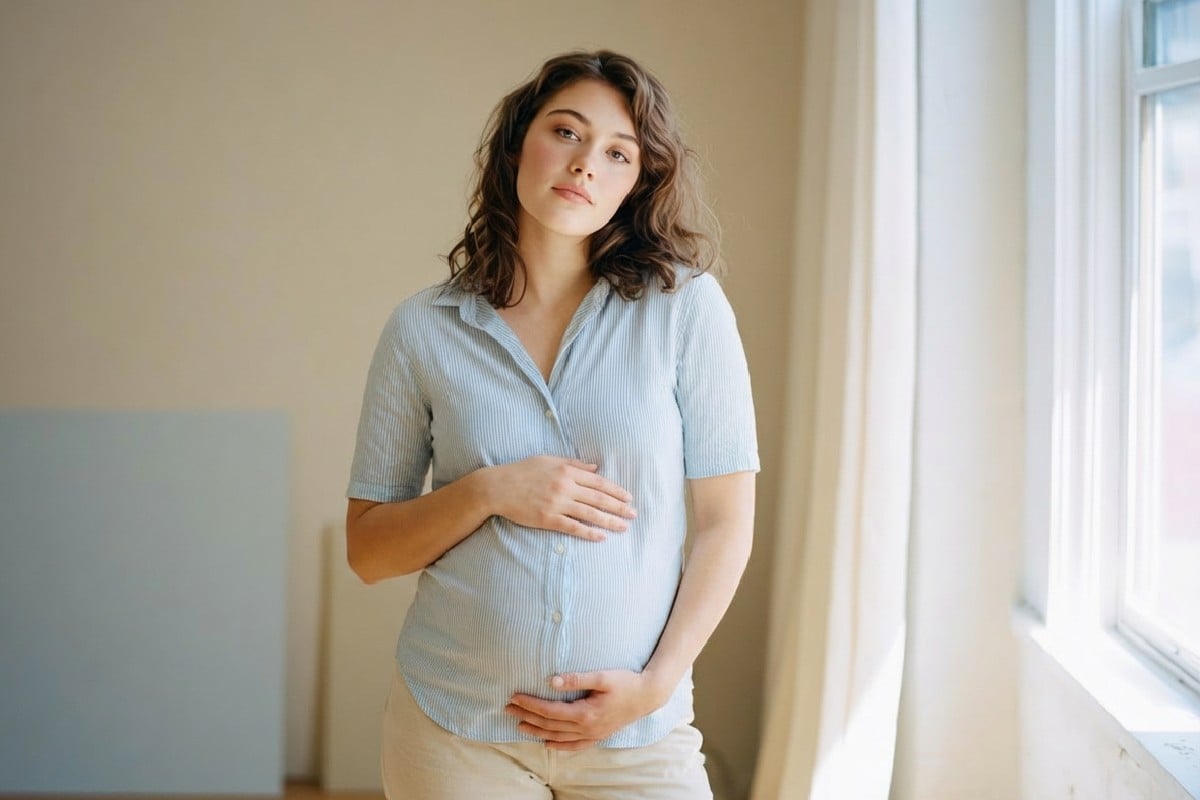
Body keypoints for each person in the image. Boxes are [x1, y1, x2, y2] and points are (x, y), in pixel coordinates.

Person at [345, 49, 758, 799]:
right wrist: (489, 491)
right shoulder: (422, 330)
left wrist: (656, 686)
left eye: (617, 152)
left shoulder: (687, 312)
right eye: (565, 132)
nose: (585, 164)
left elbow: (726, 524)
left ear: (638, 181)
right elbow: (368, 551)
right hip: (457, 733)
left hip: (638, 734)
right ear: (516, 148)